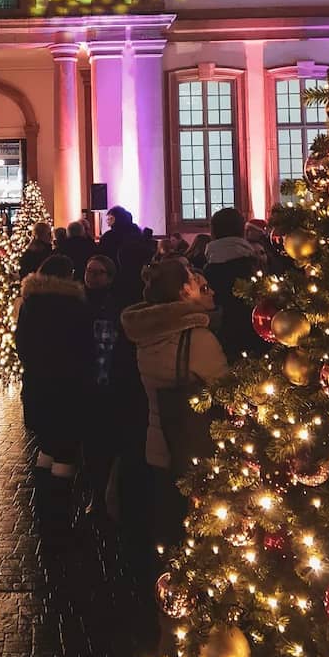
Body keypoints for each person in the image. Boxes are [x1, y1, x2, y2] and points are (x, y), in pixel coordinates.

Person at [120, 257, 227, 551]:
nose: (206, 289)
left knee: (167, 522)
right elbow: (225, 389)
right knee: (197, 529)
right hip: (193, 443)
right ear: (183, 292)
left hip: (158, 442)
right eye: (196, 283)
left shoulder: (147, 333)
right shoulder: (196, 339)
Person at [14, 253, 93, 479]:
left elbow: (22, 342)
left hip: (37, 381)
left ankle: (42, 495)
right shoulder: (73, 303)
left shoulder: (30, 302)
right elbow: (81, 343)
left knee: (47, 443)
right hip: (66, 383)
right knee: (65, 446)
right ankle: (59, 499)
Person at [81, 253, 145, 520]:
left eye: (98, 273)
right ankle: (98, 493)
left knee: (111, 443)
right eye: (89, 271)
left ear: (109, 276)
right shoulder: (79, 303)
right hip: (88, 385)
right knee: (92, 446)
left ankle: (110, 494)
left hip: (112, 385)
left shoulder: (117, 305)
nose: (92, 277)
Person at [203, 207, 265, 361]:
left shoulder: (209, 270)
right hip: (256, 336)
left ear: (213, 233)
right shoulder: (253, 264)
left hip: (221, 340)